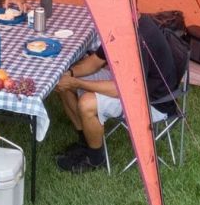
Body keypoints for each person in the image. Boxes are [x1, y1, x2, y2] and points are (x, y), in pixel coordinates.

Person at [54, 14, 183, 173]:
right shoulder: (121, 25)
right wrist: (70, 74)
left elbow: (121, 90)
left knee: (87, 103)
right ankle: (85, 143)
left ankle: (95, 159)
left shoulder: (140, 38)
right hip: (126, 82)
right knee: (63, 84)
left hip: (151, 101)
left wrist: (77, 83)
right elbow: (95, 61)